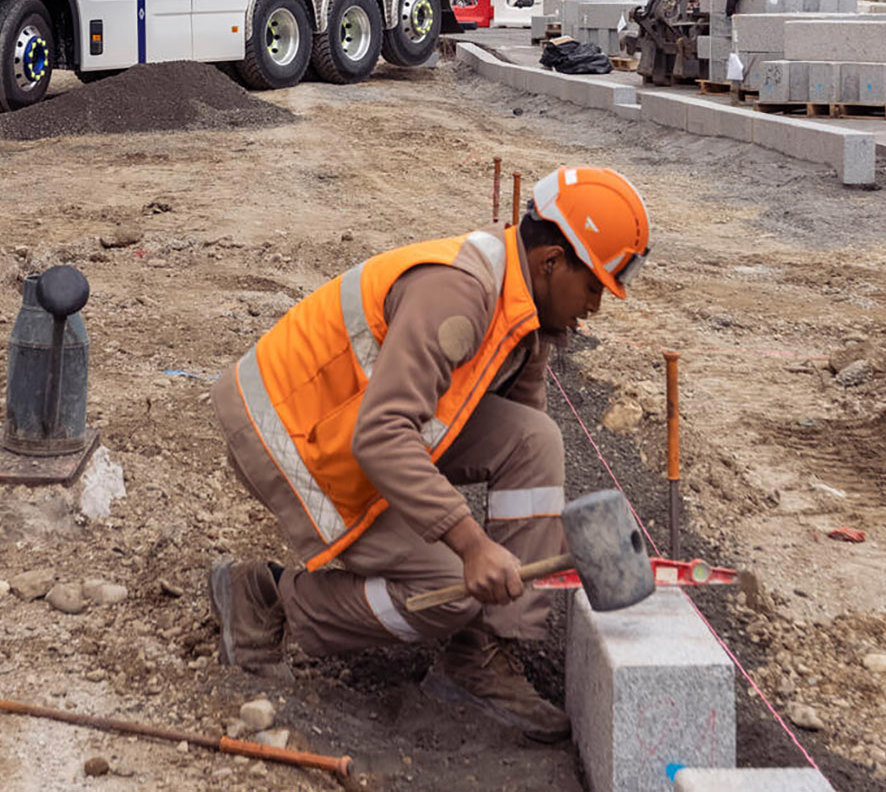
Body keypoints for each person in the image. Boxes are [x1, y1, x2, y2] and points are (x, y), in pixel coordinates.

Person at [208, 167, 651, 742]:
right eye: (593, 286)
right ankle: (268, 596)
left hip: (359, 427)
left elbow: (524, 431)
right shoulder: (461, 294)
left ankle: (485, 657)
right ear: (550, 262)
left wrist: (541, 539)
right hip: (298, 437)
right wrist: (470, 545)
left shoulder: (527, 311)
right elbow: (382, 436)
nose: (596, 306)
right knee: (448, 594)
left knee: (537, 439)